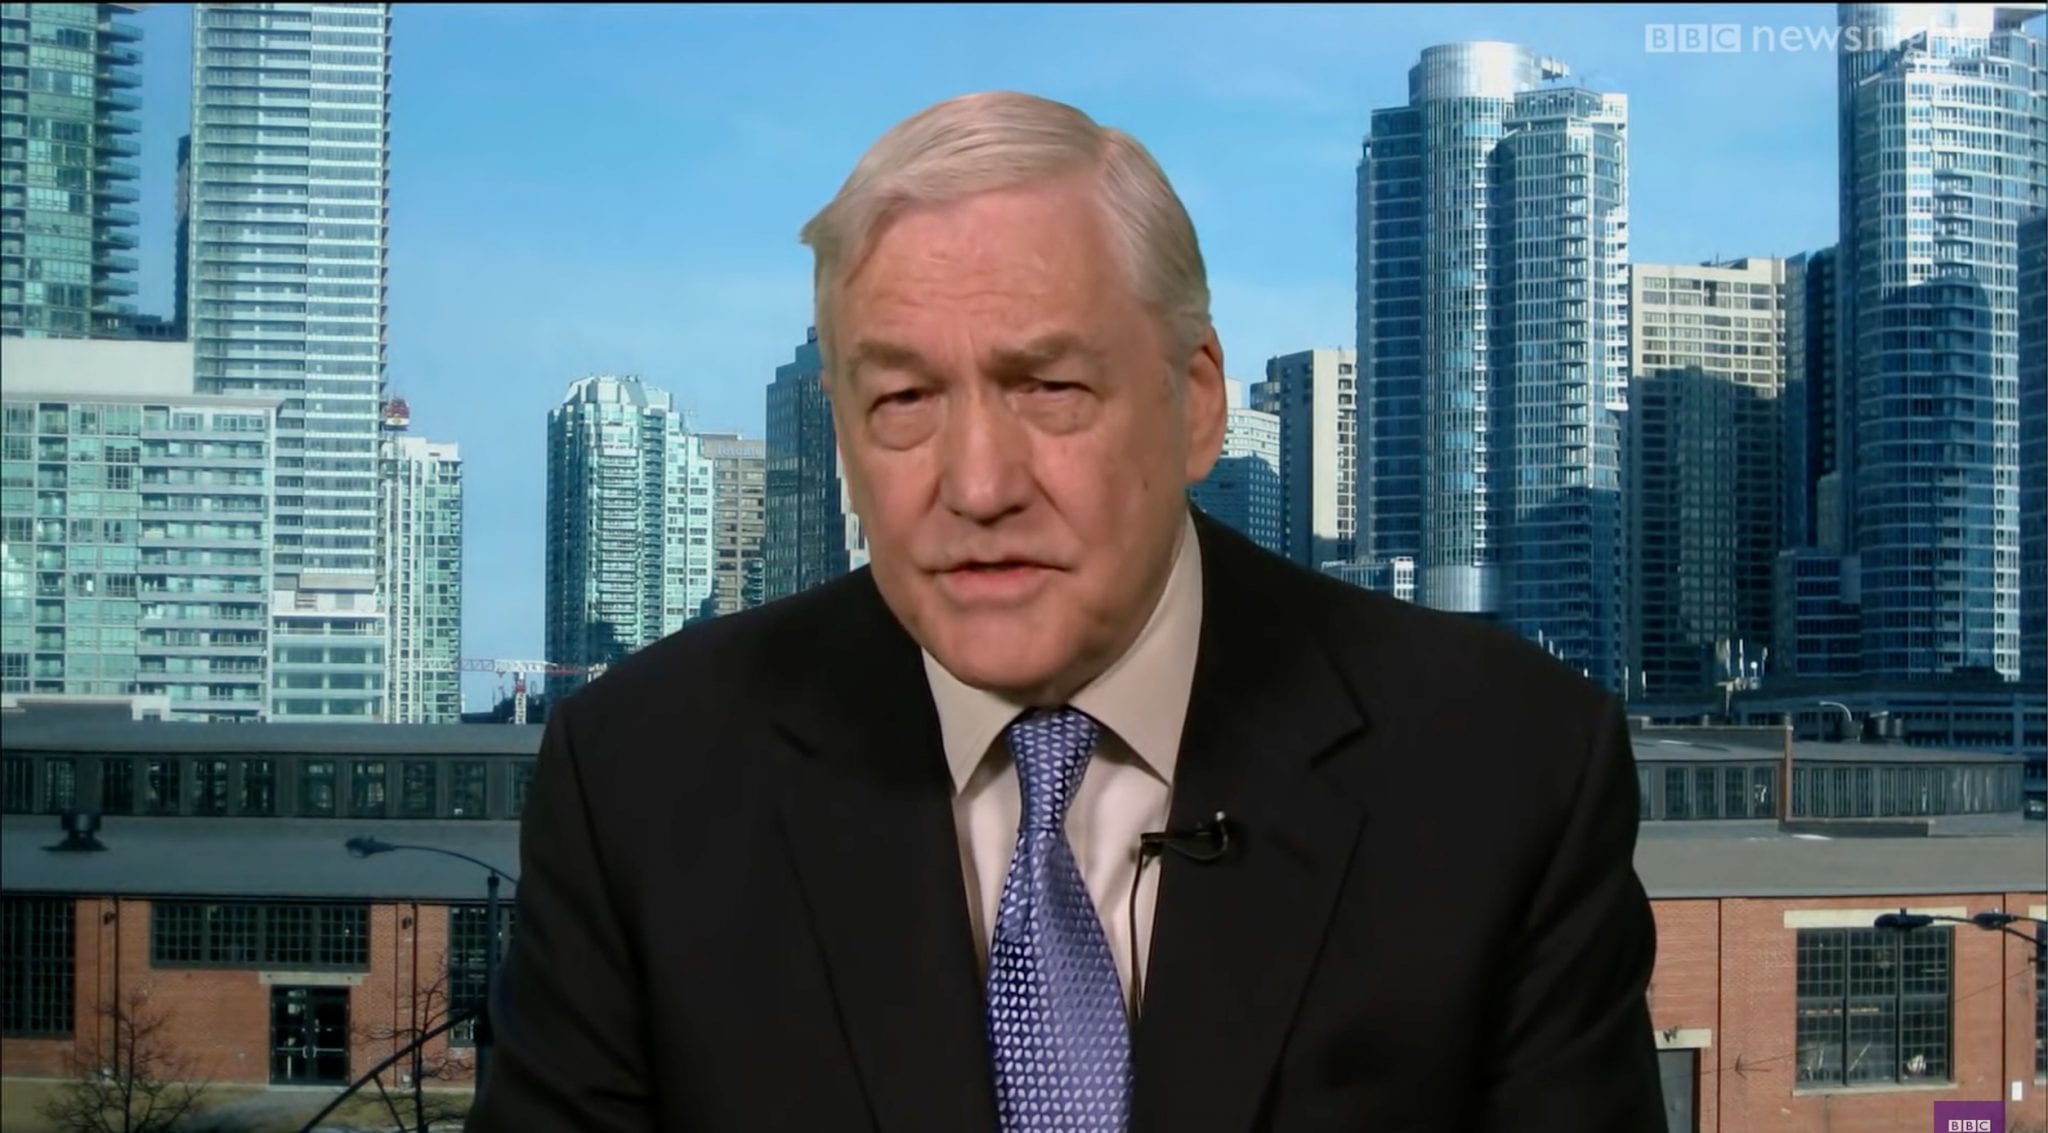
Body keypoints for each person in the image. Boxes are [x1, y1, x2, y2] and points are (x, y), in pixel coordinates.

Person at [470, 90, 1664, 1132]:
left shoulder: (1504, 769)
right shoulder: (640, 778)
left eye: (1046, 386)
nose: (976, 483)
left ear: (1194, 402)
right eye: (902, 399)